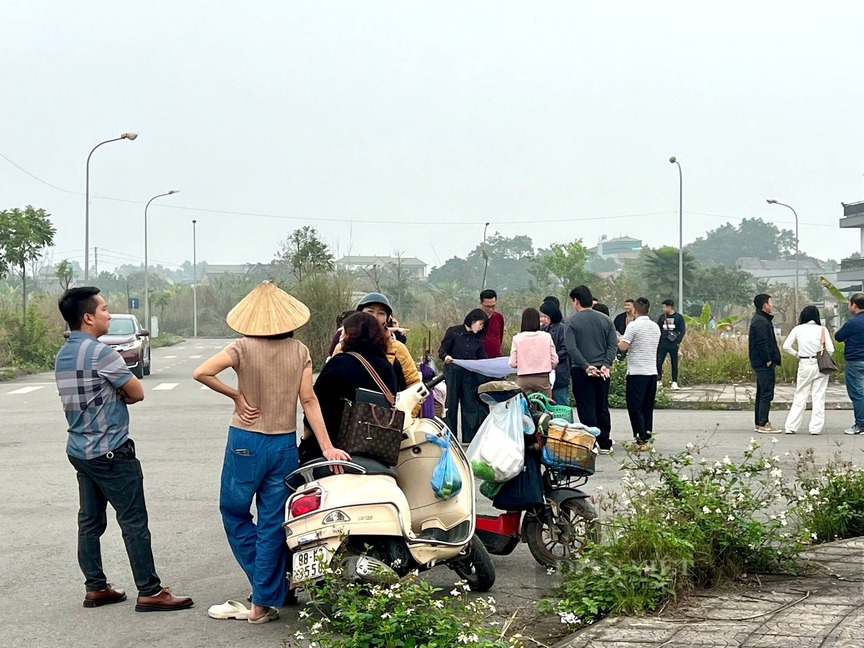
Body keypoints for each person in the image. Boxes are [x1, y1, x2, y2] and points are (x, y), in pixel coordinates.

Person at [193, 281, 350, 624]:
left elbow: (201, 372)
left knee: (233, 511)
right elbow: (309, 400)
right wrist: (327, 447)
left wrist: (236, 397)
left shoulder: (241, 347)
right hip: (283, 444)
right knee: (271, 523)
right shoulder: (300, 351)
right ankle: (262, 603)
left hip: (245, 441)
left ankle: (268, 589)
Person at [55, 287, 193, 612]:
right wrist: (117, 396)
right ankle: (150, 590)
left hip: (79, 449)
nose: (108, 313)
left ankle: (96, 587)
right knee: (133, 520)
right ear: (88, 317)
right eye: (103, 309)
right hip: (110, 451)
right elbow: (136, 391)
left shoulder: (63, 354)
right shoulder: (100, 353)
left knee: (89, 521)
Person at [309, 312, 398, 443]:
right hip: (376, 446)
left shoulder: (338, 364)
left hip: (335, 446)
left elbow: (317, 406)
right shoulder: (387, 367)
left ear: (350, 334)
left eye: (344, 331)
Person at [564, 285, 618, 453]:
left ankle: (590, 441)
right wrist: (606, 364)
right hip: (603, 371)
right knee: (602, 405)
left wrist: (586, 366)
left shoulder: (571, 322)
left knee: (585, 406)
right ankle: (605, 442)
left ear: (576, 301)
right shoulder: (606, 320)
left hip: (581, 371)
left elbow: (571, 349)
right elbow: (613, 345)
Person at [332, 293, 420, 390]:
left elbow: (414, 386)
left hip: (388, 404)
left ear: (387, 319)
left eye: (381, 313)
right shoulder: (343, 347)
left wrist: (402, 405)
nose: (375, 317)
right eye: (370, 312)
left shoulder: (397, 349)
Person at [439, 308, 489, 443]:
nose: (481, 328)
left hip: (469, 373)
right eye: (480, 324)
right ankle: (450, 438)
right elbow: (442, 350)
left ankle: (469, 439)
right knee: (451, 403)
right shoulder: (454, 331)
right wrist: (446, 357)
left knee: (470, 404)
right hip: (453, 371)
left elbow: (482, 356)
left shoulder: (477, 337)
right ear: (473, 320)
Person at [782, 306, 834, 435]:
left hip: (804, 363)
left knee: (800, 395)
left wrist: (797, 354)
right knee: (819, 396)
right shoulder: (822, 329)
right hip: (820, 365)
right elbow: (831, 349)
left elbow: (786, 346)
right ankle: (815, 428)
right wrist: (823, 358)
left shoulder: (798, 329)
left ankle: (791, 426)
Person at [618, 297, 661, 450]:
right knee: (647, 407)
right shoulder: (655, 326)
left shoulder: (633, 326)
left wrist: (618, 339)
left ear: (634, 310)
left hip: (637, 372)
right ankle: (647, 437)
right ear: (648, 310)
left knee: (635, 407)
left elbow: (623, 347)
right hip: (651, 372)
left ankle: (640, 440)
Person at [748, 293, 782, 434]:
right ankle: (763, 423)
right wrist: (768, 359)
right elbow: (762, 343)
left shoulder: (760, 319)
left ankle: (759, 422)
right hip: (763, 363)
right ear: (764, 305)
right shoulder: (761, 321)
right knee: (766, 393)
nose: (772, 305)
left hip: (760, 362)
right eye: (770, 302)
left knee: (762, 393)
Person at [509, 307, 558, 398]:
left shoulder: (517, 338)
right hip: (542, 378)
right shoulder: (546, 336)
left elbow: (512, 363)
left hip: (523, 379)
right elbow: (555, 360)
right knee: (545, 405)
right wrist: (548, 367)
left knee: (524, 406)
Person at [835, 292, 864, 435]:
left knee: (857, 393)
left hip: (856, 361)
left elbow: (838, 336)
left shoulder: (852, 323)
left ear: (854, 305)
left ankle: (861, 424)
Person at [539, 301, 570, 405]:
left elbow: (565, 349)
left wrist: (552, 359)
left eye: (545, 316)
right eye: (541, 316)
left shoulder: (562, 328)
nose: (542, 319)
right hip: (545, 374)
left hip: (559, 372)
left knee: (560, 404)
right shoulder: (542, 329)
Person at [656, 299, 685, 390]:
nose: (663, 308)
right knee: (659, 361)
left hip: (673, 343)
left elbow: (682, 330)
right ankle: (658, 380)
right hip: (662, 343)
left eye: (664, 307)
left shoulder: (679, 317)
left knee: (674, 362)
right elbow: (658, 329)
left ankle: (674, 382)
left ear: (669, 307)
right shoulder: (661, 317)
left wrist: (677, 341)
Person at [480, 289, 505, 358]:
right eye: (487, 307)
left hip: (496, 358)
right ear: (481, 303)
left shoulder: (499, 317)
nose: (490, 309)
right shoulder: (474, 318)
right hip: (479, 359)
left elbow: (500, 336)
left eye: (493, 306)